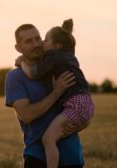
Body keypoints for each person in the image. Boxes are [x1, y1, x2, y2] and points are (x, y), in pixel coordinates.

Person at [5, 23, 85, 168]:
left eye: (38, 38)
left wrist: (84, 124)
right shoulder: (15, 77)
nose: (36, 44)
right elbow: (27, 115)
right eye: (28, 41)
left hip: (72, 154)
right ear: (18, 48)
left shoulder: (60, 68)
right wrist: (57, 92)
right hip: (37, 156)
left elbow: (83, 102)